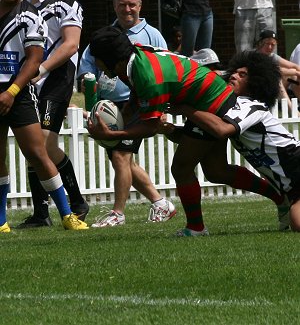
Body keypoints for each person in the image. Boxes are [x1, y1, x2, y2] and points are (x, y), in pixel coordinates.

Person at [86, 26, 288, 237]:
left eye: (98, 59)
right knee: (216, 170)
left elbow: (151, 126)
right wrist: (124, 119)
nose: (97, 64)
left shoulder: (147, 75)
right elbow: (138, 95)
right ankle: (279, 197)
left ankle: (196, 228)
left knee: (181, 167)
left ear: (111, 58)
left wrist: (112, 135)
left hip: (211, 104)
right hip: (209, 99)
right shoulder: (134, 57)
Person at [0, 0, 88, 232]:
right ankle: (1, 222)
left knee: (38, 153)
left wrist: (12, 92)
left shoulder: (29, 15)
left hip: (19, 93)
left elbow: (34, 59)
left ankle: (67, 214)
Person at [78, 0, 176, 227]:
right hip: (109, 107)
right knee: (125, 161)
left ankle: (118, 213)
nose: (127, 9)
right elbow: (87, 67)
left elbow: (163, 70)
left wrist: (161, 108)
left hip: (138, 103)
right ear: (114, 6)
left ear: (140, 6)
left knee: (122, 157)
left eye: (132, 4)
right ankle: (160, 203)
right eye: (122, 5)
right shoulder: (105, 36)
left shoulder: (152, 34)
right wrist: (86, 83)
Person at [169, 50, 300, 232]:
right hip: (289, 184)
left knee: (298, 224)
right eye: (234, 72)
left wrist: (185, 109)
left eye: (242, 74)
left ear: (256, 82)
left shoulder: (252, 106)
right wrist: (169, 129)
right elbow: (199, 139)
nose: (233, 76)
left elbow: (221, 130)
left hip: (297, 166)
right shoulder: (229, 106)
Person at [255, 29, 300, 111]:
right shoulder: (256, 56)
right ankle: (293, 111)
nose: (270, 47)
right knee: (276, 78)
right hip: (257, 90)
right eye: (267, 44)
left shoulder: (272, 56)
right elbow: (275, 70)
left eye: (273, 44)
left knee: (294, 77)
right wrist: (296, 72)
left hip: (271, 89)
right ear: (260, 43)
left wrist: (297, 71)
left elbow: (293, 66)